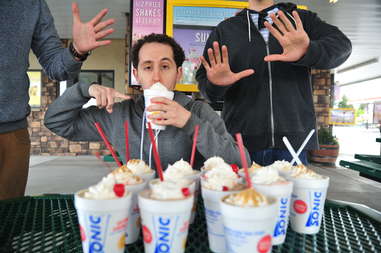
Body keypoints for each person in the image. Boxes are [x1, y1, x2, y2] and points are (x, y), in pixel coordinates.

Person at [44, 33, 250, 171]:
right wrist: (84, 89)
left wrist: (190, 123)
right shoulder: (118, 113)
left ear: (178, 73)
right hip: (133, 211)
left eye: (165, 66)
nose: (157, 77)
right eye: (148, 67)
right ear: (137, 75)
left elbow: (242, 163)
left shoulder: (198, 111)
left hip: (188, 210)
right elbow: (55, 122)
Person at [196, 0, 352, 166]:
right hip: (241, 143)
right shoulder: (226, 30)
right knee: (242, 193)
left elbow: (342, 46)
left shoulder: (301, 20)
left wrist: (308, 50)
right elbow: (206, 87)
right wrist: (215, 84)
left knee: (293, 192)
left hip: (294, 144)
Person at [0, 0, 115, 200]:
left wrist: (77, 51)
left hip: (12, 134)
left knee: (9, 217)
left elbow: (56, 66)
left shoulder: (31, 5)